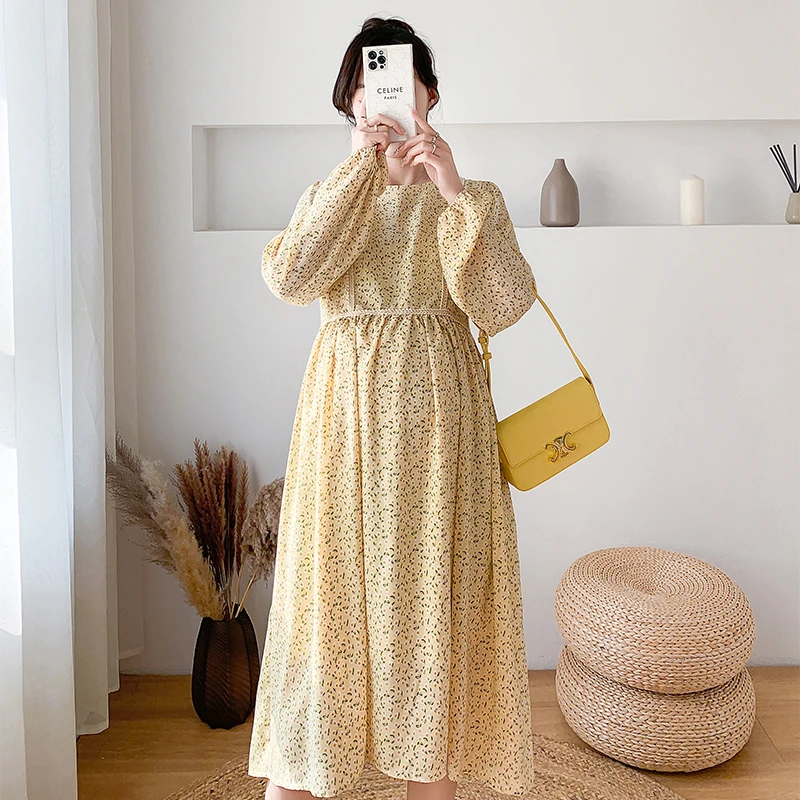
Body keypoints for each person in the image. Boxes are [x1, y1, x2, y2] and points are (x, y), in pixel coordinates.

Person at [248, 15, 538, 800]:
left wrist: (453, 191)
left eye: (400, 84)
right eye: (365, 88)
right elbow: (291, 278)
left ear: (429, 96)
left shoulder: (467, 200)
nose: (379, 100)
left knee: (431, 613)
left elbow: (505, 303)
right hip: (344, 425)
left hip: (443, 432)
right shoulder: (333, 196)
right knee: (327, 612)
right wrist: (361, 172)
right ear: (350, 103)